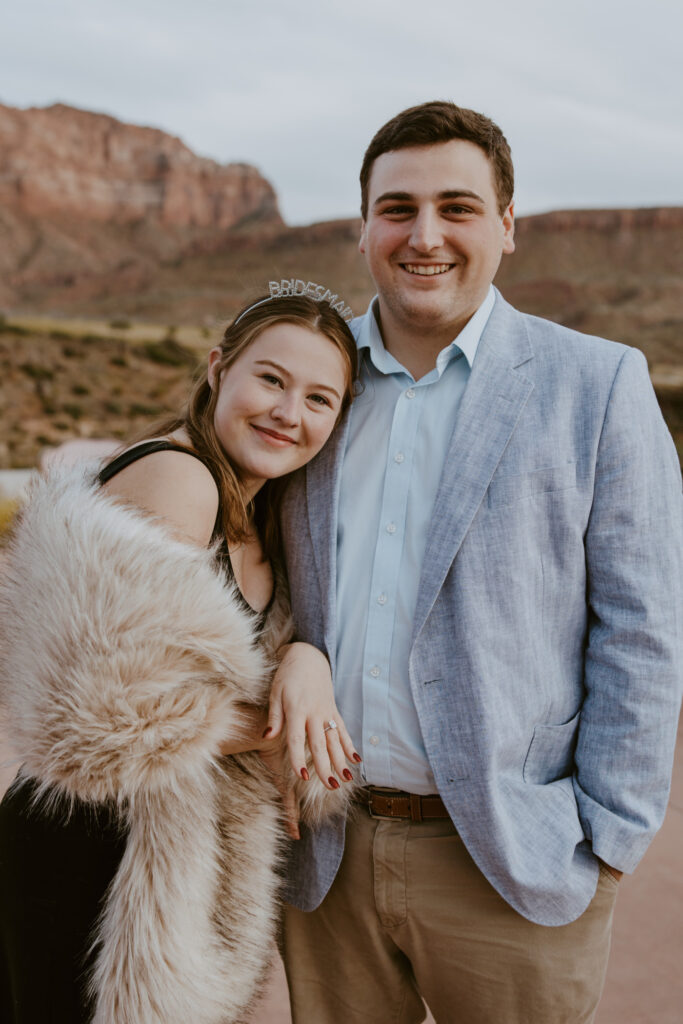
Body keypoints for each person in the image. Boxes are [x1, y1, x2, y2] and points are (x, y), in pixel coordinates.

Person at [278, 101, 683, 1023]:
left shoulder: (597, 383)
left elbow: (644, 624)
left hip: (511, 858)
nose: (425, 236)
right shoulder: (311, 374)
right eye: (398, 208)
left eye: (457, 207)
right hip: (326, 853)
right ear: (362, 226)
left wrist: (604, 837)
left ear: (507, 225)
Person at [0, 291, 360, 1024]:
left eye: (319, 397)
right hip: (93, 851)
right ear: (217, 368)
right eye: (269, 379)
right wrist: (290, 721)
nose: (289, 412)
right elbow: (112, 713)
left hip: (166, 851)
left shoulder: (265, 512)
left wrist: (306, 662)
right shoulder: (180, 477)